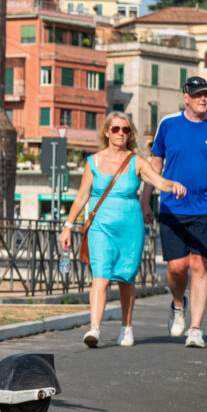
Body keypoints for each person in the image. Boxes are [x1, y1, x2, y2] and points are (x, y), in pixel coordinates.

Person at [59, 111, 185, 348]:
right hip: (100, 227)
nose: (120, 133)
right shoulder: (93, 162)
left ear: (130, 134)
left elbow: (158, 181)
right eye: (116, 129)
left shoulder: (136, 161)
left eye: (125, 129)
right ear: (107, 132)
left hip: (130, 229)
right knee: (100, 275)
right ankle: (94, 329)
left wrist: (174, 185)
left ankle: (126, 328)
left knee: (126, 279)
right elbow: (82, 196)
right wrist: (67, 226)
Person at [142, 76, 207, 349]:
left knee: (199, 264)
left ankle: (195, 328)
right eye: (197, 95)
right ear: (185, 98)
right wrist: (145, 199)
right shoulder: (168, 124)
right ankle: (177, 304)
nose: (203, 99)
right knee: (176, 267)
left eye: (206, 94)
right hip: (172, 207)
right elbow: (155, 165)